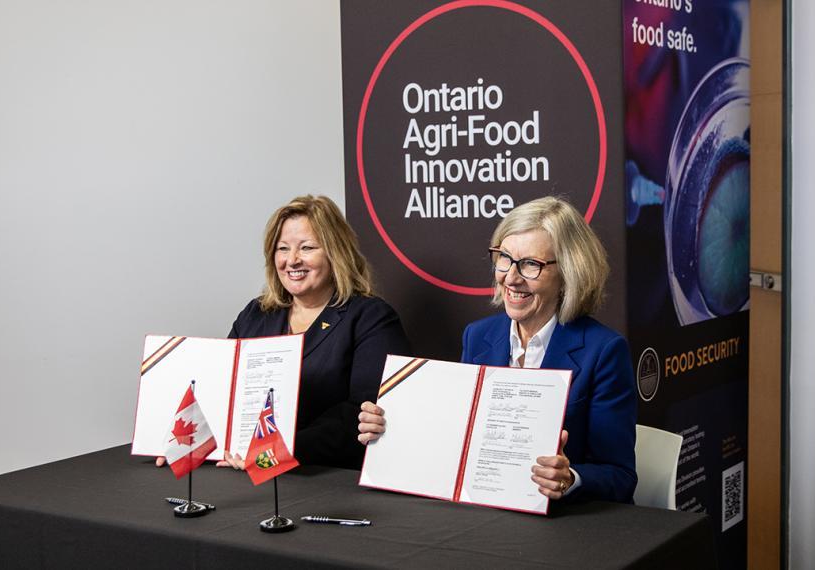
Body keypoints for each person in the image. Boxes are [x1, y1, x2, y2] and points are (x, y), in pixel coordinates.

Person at [358, 196, 637, 503]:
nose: (511, 278)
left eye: (531, 264)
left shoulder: (603, 351)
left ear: (569, 273)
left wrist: (570, 479)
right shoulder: (477, 337)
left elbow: (620, 476)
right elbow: (457, 441)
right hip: (485, 516)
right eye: (504, 258)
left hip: (566, 526)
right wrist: (393, 426)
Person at [160, 195, 411, 471]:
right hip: (245, 473)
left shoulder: (370, 317)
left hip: (327, 478)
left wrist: (274, 452)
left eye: (307, 247)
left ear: (335, 253)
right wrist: (185, 443)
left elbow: (361, 414)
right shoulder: (255, 314)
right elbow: (221, 392)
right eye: (282, 248)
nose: (292, 260)